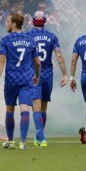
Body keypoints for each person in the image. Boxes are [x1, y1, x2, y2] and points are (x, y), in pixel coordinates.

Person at [0, 12, 41, 150]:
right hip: (26, 79)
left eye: (8, 22)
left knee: (10, 108)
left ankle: (10, 141)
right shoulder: (30, 40)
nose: (6, 24)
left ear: (14, 24)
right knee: (25, 109)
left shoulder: (6, 40)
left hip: (11, 80)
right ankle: (23, 142)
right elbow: (37, 62)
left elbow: (2, 60)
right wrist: (37, 76)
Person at [26, 11, 68, 146]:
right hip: (48, 74)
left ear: (33, 21)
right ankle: (39, 137)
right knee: (44, 107)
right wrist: (64, 74)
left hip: (34, 74)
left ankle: (41, 137)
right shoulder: (52, 36)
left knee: (36, 107)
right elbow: (59, 56)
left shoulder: (28, 36)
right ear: (45, 22)